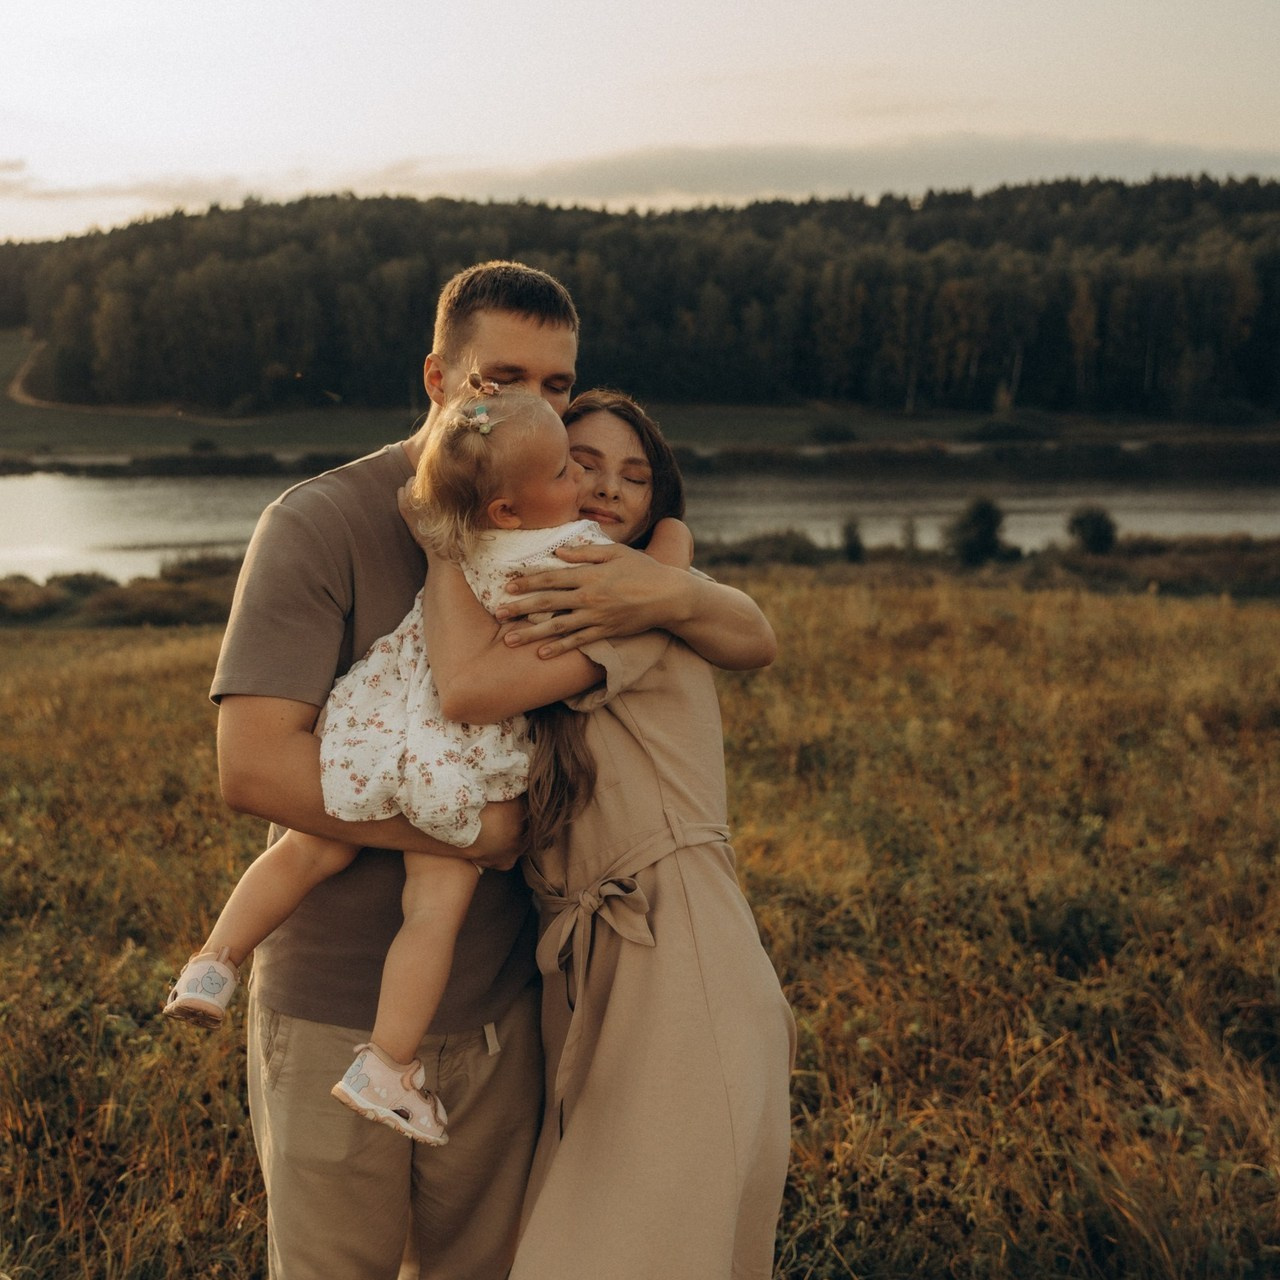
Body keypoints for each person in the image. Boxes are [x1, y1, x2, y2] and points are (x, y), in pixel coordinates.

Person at [209, 261, 777, 1280]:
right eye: (503, 374)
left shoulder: (567, 537)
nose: (534, 402)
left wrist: (677, 576)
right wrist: (473, 831)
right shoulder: (321, 522)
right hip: (337, 1000)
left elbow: (719, 616)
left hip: (512, 1003)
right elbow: (254, 769)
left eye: (559, 384)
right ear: (438, 377)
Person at [167, 377, 689, 1149]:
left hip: (380, 711)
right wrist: (663, 520)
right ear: (513, 505)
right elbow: (671, 560)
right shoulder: (578, 550)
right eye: (567, 471)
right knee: (434, 910)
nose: (585, 484)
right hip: (461, 756)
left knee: (309, 845)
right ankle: (386, 1063)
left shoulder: (458, 525)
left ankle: (213, 961)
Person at [416, 389, 795, 1280]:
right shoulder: (593, 585)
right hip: (593, 964)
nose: (607, 488)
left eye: (634, 477)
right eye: (580, 463)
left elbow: (467, 691)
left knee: (613, 1251)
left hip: (676, 947)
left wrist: (441, 541)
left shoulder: (627, 603)